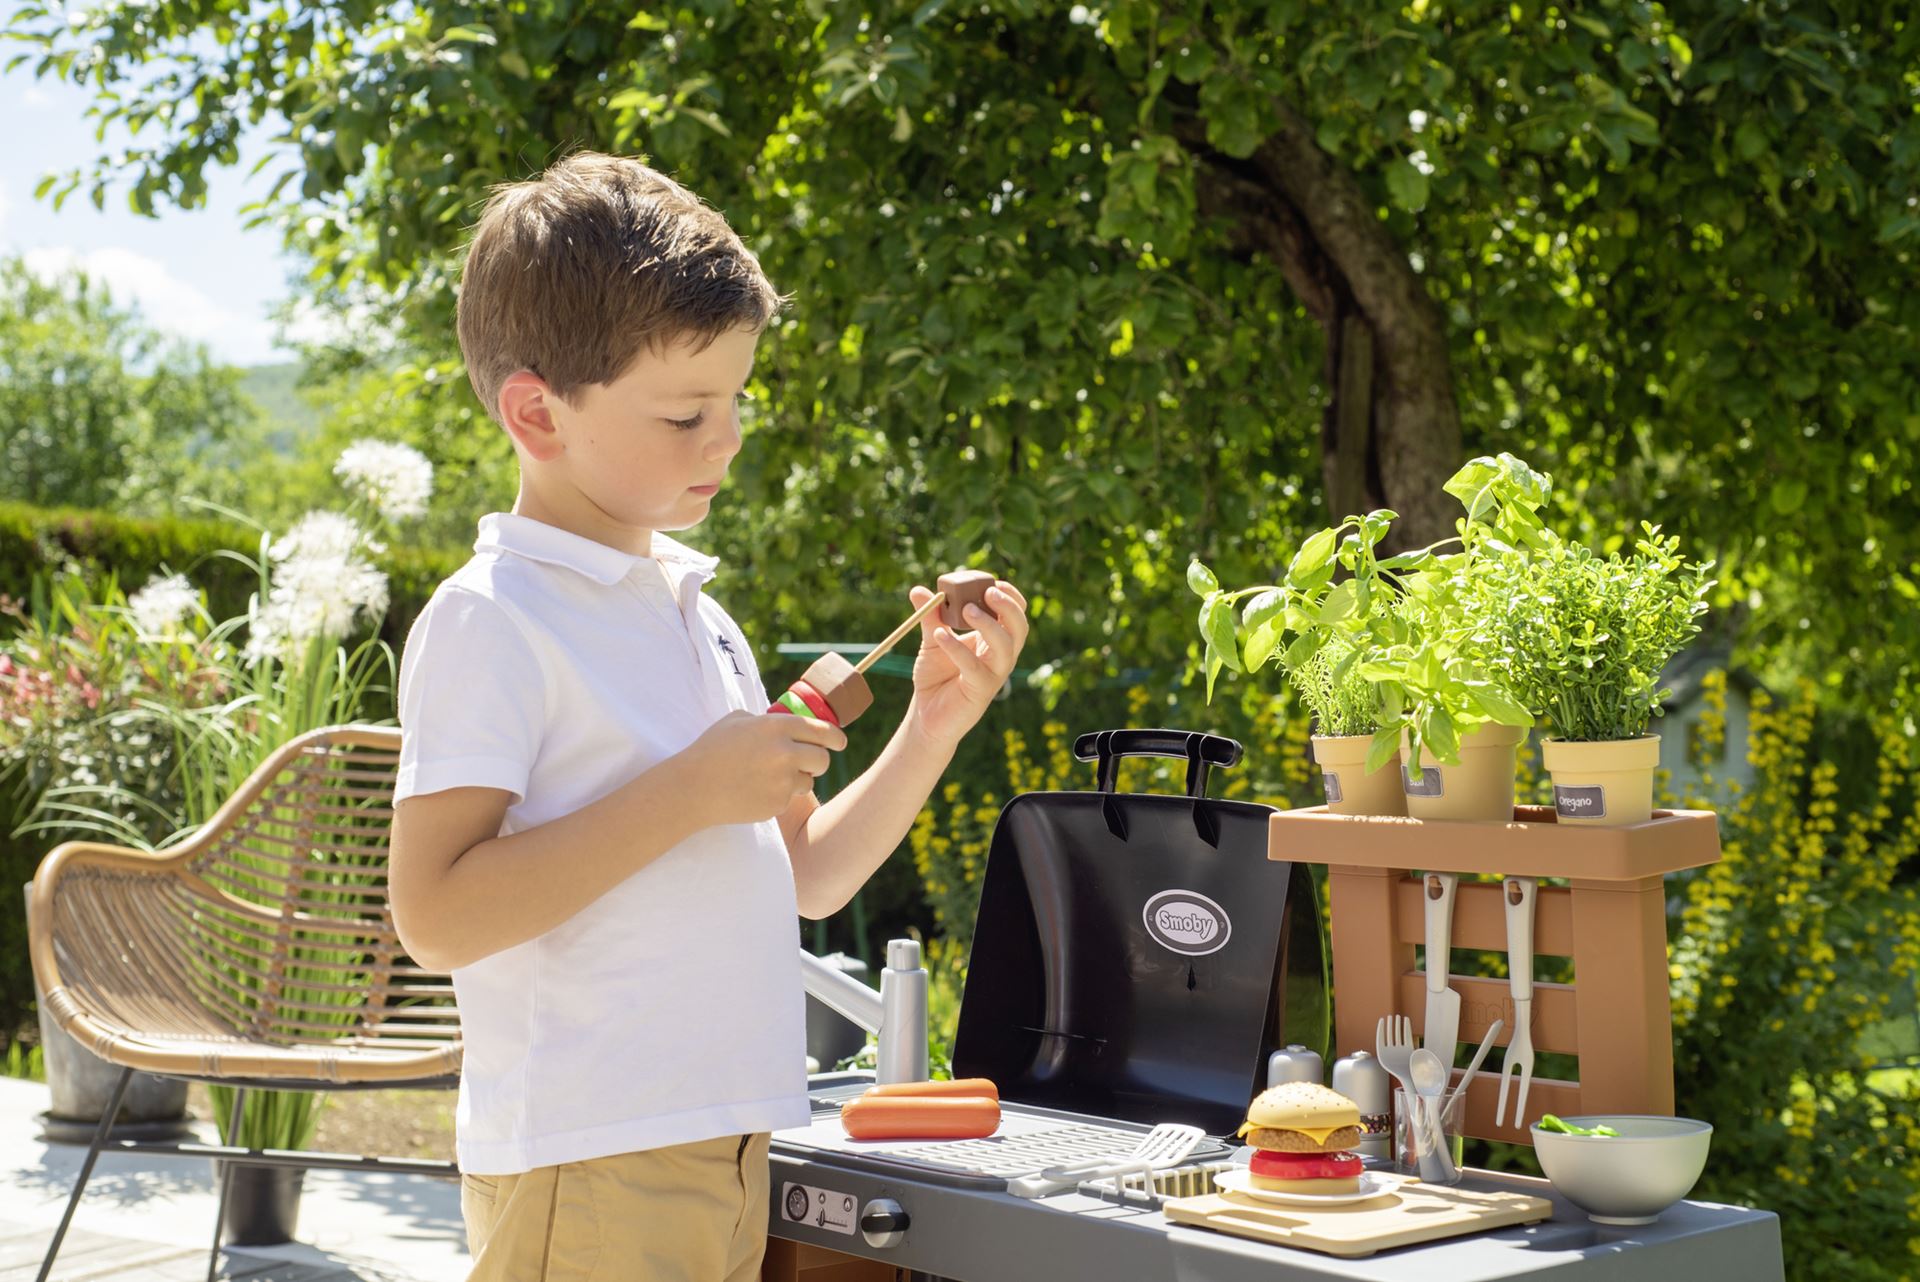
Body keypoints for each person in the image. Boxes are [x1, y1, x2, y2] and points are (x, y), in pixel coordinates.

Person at [388, 151, 1030, 1281]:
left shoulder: (697, 615)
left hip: (727, 1144)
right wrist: (689, 789)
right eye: (686, 411)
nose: (725, 440)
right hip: (587, 1164)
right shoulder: (493, 617)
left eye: (735, 401)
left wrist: (934, 724)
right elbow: (434, 917)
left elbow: (807, 878)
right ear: (537, 411)